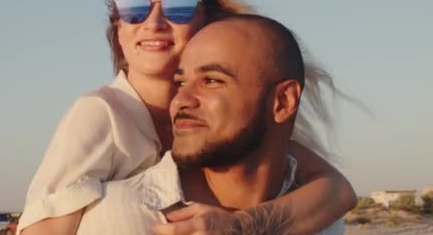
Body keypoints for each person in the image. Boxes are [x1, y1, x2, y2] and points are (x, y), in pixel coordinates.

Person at [18, 0, 356, 234]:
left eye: (178, 7)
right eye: (133, 8)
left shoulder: (222, 120)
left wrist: (239, 226)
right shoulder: (102, 112)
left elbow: (337, 191)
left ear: (208, 25)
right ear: (118, 28)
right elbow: (44, 226)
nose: (153, 22)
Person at [74, 15, 345, 235]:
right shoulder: (120, 218)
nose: (181, 100)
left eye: (212, 80)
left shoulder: (323, 221)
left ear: (283, 101)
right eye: (180, 83)